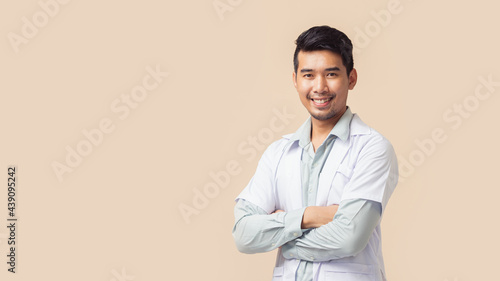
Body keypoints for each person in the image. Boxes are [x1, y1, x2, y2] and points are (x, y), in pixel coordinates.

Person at [232, 25, 399, 281]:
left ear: (351, 78)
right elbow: (244, 234)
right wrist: (311, 216)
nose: (319, 87)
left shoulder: (372, 148)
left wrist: (282, 236)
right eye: (308, 75)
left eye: (331, 74)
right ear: (295, 80)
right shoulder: (278, 153)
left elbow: (350, 237)